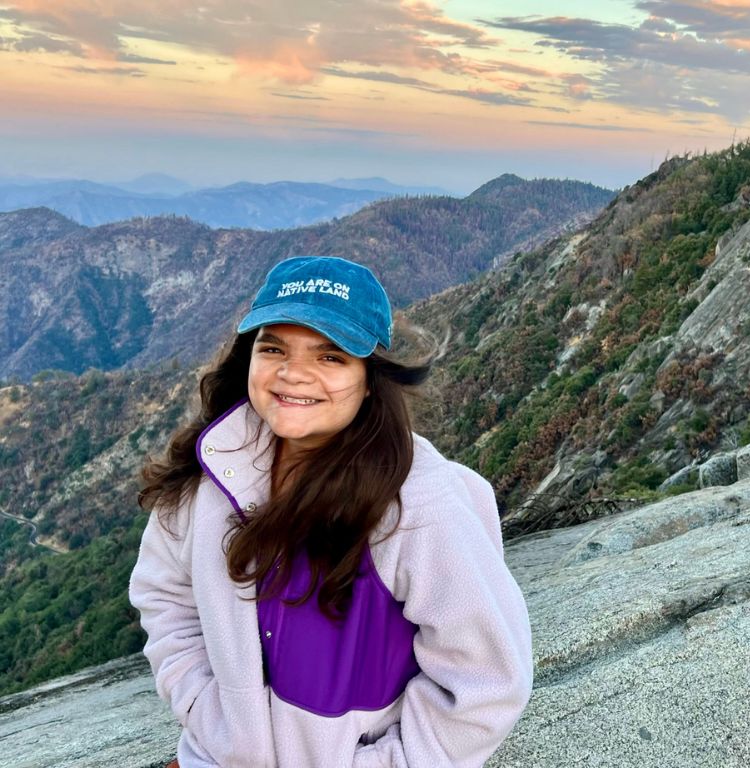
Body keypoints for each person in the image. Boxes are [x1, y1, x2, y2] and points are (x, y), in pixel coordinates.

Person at [129, 256, 533, 768]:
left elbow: (487, 683)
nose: (292, 373)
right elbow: (164, 597)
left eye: (330, 357)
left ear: (370, 380)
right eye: (272, 347)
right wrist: (208, 712)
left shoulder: (416, 507)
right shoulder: (214, 472)